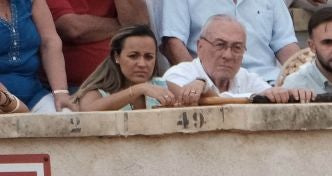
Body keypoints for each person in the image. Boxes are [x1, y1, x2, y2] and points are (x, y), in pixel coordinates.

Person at [163, 16, 312, 100]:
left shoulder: (246, 77)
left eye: (237, 48)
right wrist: (255, 97)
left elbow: (270, 94)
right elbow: (205, 102)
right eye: (220, 45)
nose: (228, 55)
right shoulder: (180, 73)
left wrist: (292, 94)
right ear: (200, 47)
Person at [159, 0, 295, 84]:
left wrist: (304, 75)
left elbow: (287, 45)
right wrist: (200, 82)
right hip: (212, 85)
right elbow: (173, 44)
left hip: (267, 84)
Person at [73, 23, 188, 108]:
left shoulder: (163, 86)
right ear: (116, 57)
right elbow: (87, 111)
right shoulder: (99, 92)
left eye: (149, 57)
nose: (142, 64)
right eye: (133, 56)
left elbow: (199, 100)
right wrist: (139, 89)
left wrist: (200, 84)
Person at [46, 0, 142, 89]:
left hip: (125, 80)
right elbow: (72, 29)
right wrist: (122, 27)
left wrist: (128, 27)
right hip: (76, 87)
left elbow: (138, 22)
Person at [1, 0, 72, 112]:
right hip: (3, 98)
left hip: (34, 94)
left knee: (65, 117)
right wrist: (14, 106)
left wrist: (61, 93)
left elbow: (49, 42)